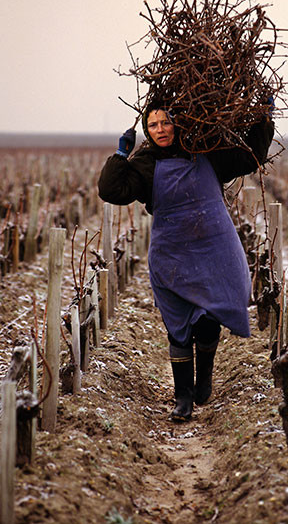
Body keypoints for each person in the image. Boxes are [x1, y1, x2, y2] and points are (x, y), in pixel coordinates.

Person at [98, 102, 274, 421]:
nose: (161, 130)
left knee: (208, 318)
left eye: (166, 122)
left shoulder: (205, 150)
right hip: (171, 254)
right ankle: (183, 399)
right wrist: (120, 156)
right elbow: (113, 191)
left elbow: (250, 157)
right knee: (178, 326)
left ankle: (203, 378)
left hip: (213, 248)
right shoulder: (145, 163)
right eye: (153, 126)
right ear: (146, 131)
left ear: (179, 123)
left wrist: (263, 119)